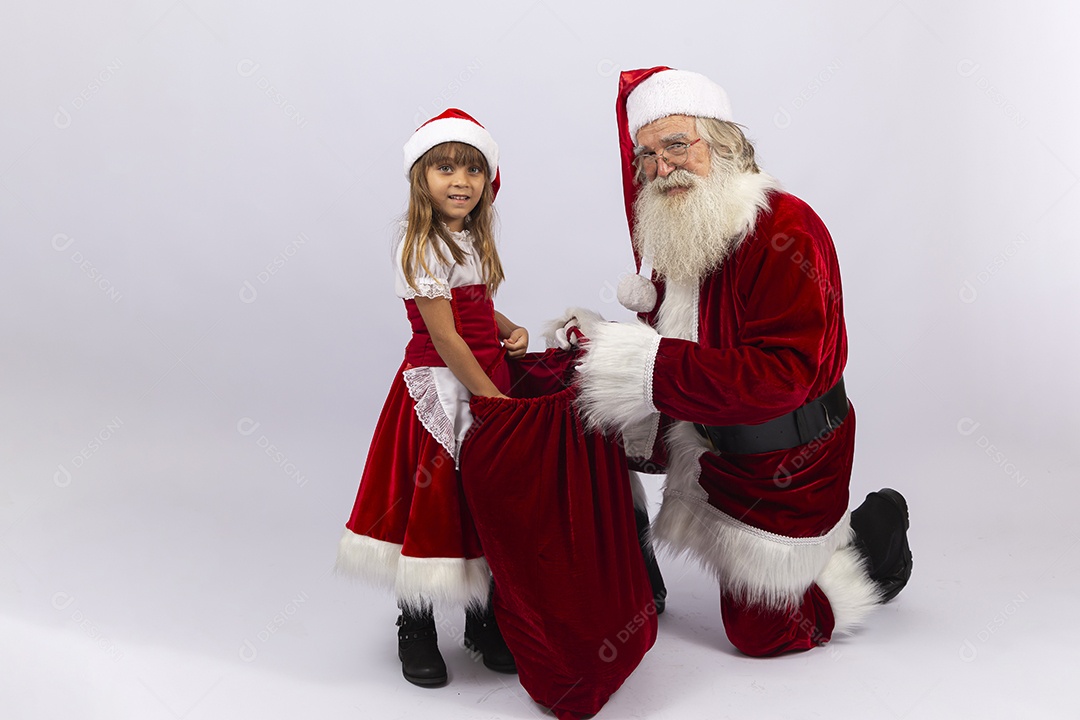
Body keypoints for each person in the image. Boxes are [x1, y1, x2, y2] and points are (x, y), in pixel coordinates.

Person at [559, 67, 912, 656]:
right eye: (646, 154)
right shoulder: (685, 225)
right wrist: (599, 352)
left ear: (722, 144)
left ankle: (871, 543)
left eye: (676, 145)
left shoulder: (787, 230)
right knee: (570, 410)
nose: (660, 167)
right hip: (704, 424)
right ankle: (627, 573)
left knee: (762, 634)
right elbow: (683, 337)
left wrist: (639, 367)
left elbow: (783, 378)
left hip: (785, 457)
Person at [336, 108, 528, 686]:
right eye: (445, 167)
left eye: (472, 170)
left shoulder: (470, 238)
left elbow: (473, 308)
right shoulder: (419, 245)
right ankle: (415, 622)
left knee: (482, 496)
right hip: (443, 387)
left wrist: (508, 328)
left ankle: (480, 615)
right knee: (434, 496)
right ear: (420, 176)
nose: (460, 181)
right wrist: (491, 397)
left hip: (483, 370)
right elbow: (444, 335)